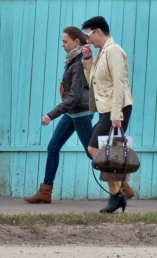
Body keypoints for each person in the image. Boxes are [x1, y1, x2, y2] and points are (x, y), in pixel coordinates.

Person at [24, 27, 94, 204]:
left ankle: (122, 184)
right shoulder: (73, 60)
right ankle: (45, 192)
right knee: (53, 147)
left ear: (76, 42)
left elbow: (74, 96)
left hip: (80, 113)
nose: (62, 45)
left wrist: (50, 114)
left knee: (93, 153)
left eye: (65, 41)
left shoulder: (78, 63)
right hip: (73, 112)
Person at [81, 16, 134, 214]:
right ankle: (118, 194)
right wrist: (87, 60)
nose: (88, 40)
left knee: (95, 149)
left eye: (89, 35)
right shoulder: (101, 52)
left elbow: (119, 83)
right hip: (106, 109)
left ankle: (118, 194)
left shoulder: (114, 51)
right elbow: (93, 82)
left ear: (99, 32)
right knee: (97, 151)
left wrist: (116, 113)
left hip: (116, 108)